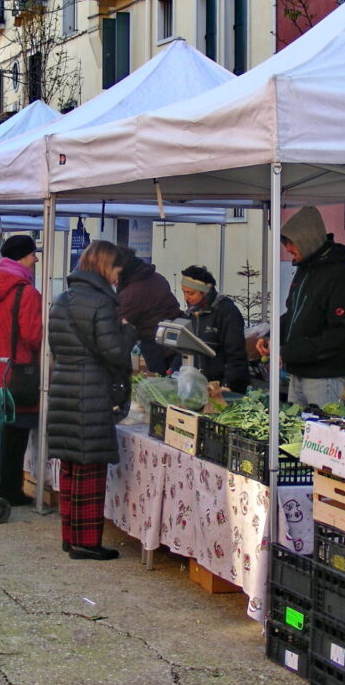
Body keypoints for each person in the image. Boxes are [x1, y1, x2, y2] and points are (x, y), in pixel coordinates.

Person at [47, 240, 137, 561]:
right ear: (104, 266)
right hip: (91, 393)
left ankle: (70, 538)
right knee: (90, 472)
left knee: (70, 470)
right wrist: (129, 332)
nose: (117, 277)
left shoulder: (61, 300)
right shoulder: (100, 304)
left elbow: (56, 349)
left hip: (64, 390)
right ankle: (87, 542)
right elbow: (114, 351)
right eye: (115, 270)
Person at [257, 206, 345, 407]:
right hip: (298, 372)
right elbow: (293, 314)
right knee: (298, 431)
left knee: (323, 433)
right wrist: (272, 336)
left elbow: (339, 335)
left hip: (324, 378)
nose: (287, 249)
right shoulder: (304, 271)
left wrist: (287, 352)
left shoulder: (339, 276)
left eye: (291, 242)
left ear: (307, 240)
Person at [0, 235, 43, 507]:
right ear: (23, 257)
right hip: (18, 374)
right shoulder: (27, 292)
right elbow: (33, 336)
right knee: (16, 436)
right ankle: (10, 490)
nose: (36, 259)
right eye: (33, 254)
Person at [178, 265, 250, 394]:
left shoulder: (227, 312)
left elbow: (236, 354)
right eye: (184, 292)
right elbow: (183, 349)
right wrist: (174, 372)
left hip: (220, 387)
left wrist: (227, 386)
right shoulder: (189, 314)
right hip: (197, 387)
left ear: (205, 292)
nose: (186, 298)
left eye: (191, 293)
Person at [115, 247, 182, 375]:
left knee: (159, 384)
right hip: (174, 339)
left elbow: (117, 324)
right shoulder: (156, 277)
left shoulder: (132, 293)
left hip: (156, 345)